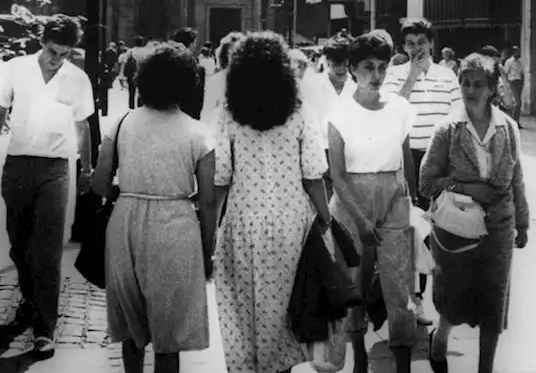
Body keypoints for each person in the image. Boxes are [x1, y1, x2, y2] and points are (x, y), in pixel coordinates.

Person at [212, 32, 333, 373]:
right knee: (284, 316)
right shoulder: (298, 113)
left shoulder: (227, 115)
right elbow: (313, 175)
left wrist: (211, 231)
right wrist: (325, 221)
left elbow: (220, 176)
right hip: (292, 226)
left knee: (244, 313)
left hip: (241, 224)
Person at [93, 42, 217, 373]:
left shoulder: (120, 124)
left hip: (125, 222)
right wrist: (207, 252)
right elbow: (207, 201)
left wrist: (129, 190)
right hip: (176, 225)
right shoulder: (199, 133)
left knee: (131, 327)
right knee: (170, 331)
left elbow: (99, 184)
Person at [0, 16, 95, 359]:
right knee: (19, 242)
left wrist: (85, 168)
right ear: (41, 42)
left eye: (62, 54)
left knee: (48, 251)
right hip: (17, 166)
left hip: (55, 169)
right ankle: (29, 298)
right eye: (50, 50)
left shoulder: (78, 80)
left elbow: (83, 127)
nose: (53, 59)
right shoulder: (16, 68)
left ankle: (45, 328)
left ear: (71, 52)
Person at [420, 54, 530, 373]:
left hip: (498, 229)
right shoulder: (448, 129)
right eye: (465, 82)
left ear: (493, 88)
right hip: (455, 230)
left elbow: (518, 179)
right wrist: (466, 187)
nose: (470, 89)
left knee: (493, 304)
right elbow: (426, 183)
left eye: (478, 84)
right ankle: (440, 338)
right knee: (453, 298)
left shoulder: (508, 128)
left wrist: (522, 222)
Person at [328, 32, 419, 373]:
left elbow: (405, 158)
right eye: (368, 67)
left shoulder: (399, 107)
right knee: (355, 286)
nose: (377, 76)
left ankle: (403, 363)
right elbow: (337, 175)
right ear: (352, 69)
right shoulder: (338, 113)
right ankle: (359, 358)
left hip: (394, 200)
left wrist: (411, 200)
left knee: (399, 286)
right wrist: (361, 220)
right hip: (352, 203)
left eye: (382, 68)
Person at [381, 18, 460, 325]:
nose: (416, 49)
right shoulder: (393, 75)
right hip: (404, 161)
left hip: (437, 161)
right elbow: (389, 112)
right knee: (411, 231)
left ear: (432, 44)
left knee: (434, 230)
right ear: (403, 47)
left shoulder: (447, 75)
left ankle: (430, 299)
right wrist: (411, 77)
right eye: (410, 44)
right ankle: (411, 301)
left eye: (421, 43)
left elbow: (457, 117)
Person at [201, 32, 244, 128]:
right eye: (230, 53)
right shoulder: (217, 80)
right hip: (220, 131)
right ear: (225, 55)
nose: (234, 57)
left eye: (238, 53)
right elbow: (207, 111)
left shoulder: (253, 79)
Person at [172, 27, 207, 120]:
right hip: (188, 120)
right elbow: (197, 103)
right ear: (191, 44)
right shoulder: (198, 69)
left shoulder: (161, 65)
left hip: (166, 119)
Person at [503, 46, 525, 121]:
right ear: (513, 52)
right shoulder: (509, 62)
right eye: (517, 51)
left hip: (519, 82)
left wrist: (522, 82)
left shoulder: (520, 61)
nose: (518, 53)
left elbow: (522, 72)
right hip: (512, 82)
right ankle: (512, 120)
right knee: (517, 102)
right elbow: (505, 73)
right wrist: (506, 84)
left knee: (519, 103)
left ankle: (516, 120)